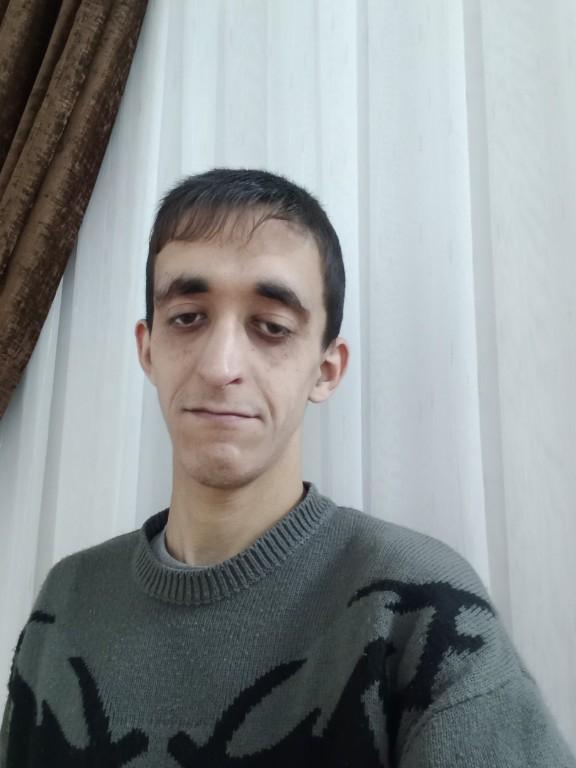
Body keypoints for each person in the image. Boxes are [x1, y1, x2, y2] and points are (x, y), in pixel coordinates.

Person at [0, 168, 574, 767]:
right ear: (148, 349)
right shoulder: (68, 602)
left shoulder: (422, 610)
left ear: (326, 370)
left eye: (271, 327)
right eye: (188, 317)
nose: (221, 366)